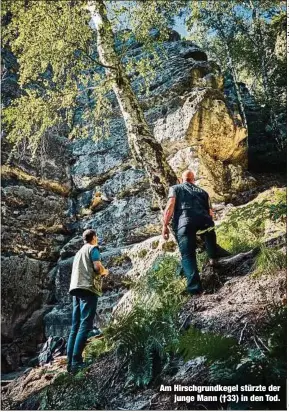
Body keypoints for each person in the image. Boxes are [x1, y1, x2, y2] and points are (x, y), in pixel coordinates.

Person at [162, 170, 217, 295]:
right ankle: (213, 258)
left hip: (185, 222)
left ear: (181, 180)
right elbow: (210, 213)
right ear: (194, 180)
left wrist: (165, 225)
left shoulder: (175, 188)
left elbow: (170, 205)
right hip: (205, 221)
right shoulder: (204, 192)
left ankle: (195, 289)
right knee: (209, 232)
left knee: (188, 255)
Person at [67, 229, 108, 373]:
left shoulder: (78, 253)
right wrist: (104, 271)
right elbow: (97, 267)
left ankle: (69, 363)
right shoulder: (93, 248)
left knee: (75, 326)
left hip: (75, 289)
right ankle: (76, 362)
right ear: (94, 238)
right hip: (87, 289)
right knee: (85, 324)